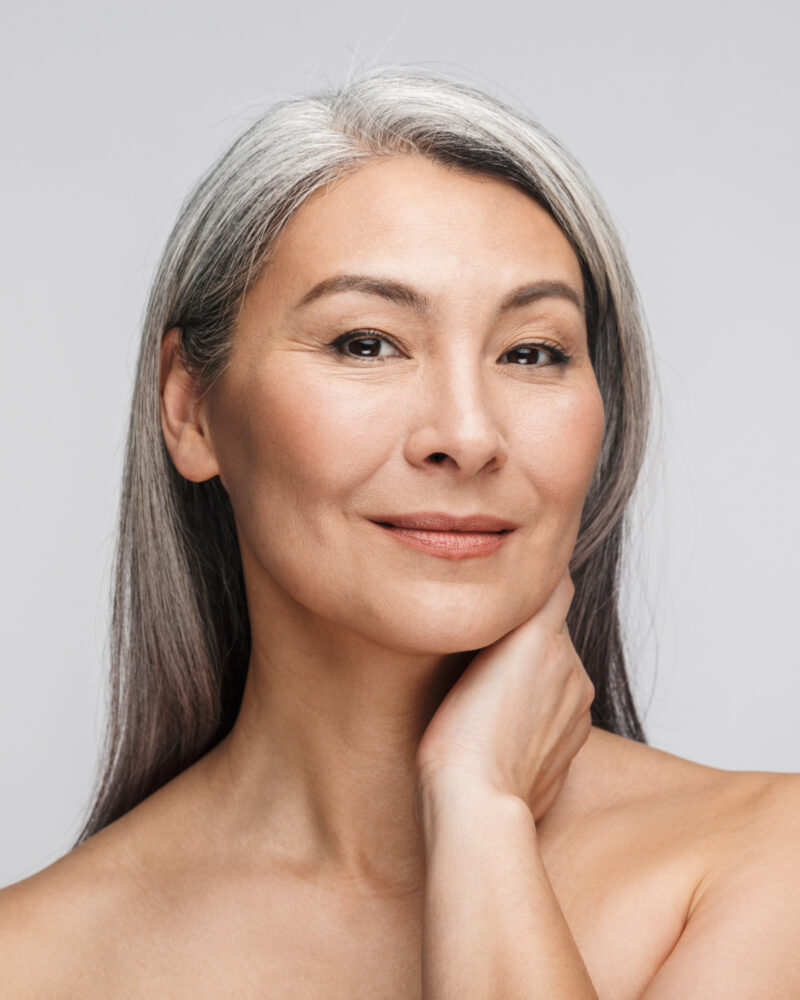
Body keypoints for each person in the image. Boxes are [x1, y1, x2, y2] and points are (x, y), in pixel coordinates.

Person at [1, 66, 798, 998]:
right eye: (366, 343)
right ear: (192, 410)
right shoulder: (34, 961)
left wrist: (480, 810)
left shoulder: (763, 866)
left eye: (532, 352)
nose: (465, 435)